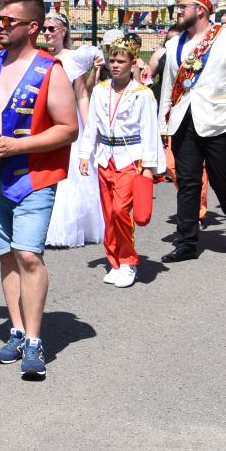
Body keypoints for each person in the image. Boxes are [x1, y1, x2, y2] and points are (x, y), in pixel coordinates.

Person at [0, 0, 79, 380]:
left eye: (9, 21)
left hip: (33, 178)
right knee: (6, 255)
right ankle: (18, 331)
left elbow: (69, 129)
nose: (0, 26)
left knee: (28, 256)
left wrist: (17, 146)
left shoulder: (51, 70)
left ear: (33, 27)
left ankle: (36, 341)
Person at [158, 0, 226, 261]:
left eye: (182, 6)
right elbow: (168, 85)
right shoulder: (174, 43)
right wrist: (163, 123)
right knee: (187, 182)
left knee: (221, 181)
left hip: (217, 121)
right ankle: (187, 243)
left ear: (200, 9)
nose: (177, 11)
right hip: (183, 121)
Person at [75, 38, 161, 288]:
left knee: (120, 210)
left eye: (121, 61)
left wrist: (148, 165)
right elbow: (92, 125)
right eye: (112, 60)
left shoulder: (142, 94)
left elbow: (149, 130)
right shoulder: (101, 90)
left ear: (132, 63)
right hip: (105, 156)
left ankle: (128, 261)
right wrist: (85, 153)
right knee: (108, 213)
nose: (114, 65)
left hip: (130, 158)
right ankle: (114, 260)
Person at [41, 12, 105, 248]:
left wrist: (89, 129)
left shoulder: (73, 58)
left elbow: (82, 96)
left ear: (63, 30)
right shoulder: (41, 57)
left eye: (51, 28)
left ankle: (67, 227)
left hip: (68, 120)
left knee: (70, 174)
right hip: (45, 120)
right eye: (45, 29)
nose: (47, 33)